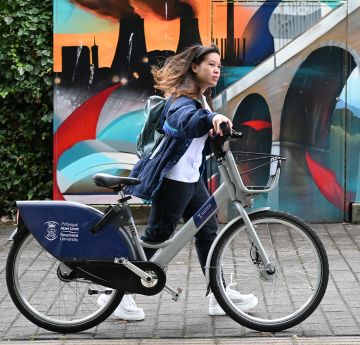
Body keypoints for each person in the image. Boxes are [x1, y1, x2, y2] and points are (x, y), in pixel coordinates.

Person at [98, 44, 258, 321]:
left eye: (219, 65)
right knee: (156, 238)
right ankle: (116, 294)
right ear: (194, 67)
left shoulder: (202, 98)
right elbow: (184, 120)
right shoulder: (181, 99)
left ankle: (217, 296)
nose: (216, 69)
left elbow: (200, 129)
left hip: (191, 179)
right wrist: (211, 118)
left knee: (208, 234)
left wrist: (219, 129)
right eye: (210, 64)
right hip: (173, 181)